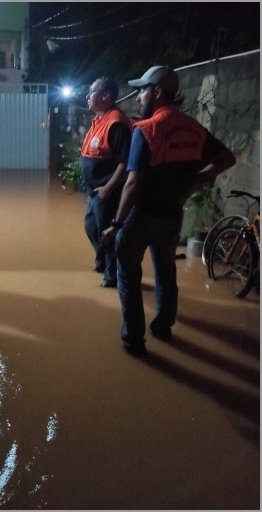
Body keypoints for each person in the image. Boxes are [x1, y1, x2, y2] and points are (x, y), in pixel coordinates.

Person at [100, 65, 237, 355]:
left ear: (157, 92)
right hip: (173, 214)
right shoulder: (194, 128)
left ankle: (133, 339)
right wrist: (195, 179)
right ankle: (163, 325)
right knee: (165, 271)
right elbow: (227, 158)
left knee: (127, 272)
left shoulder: (147, 129)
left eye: (142, 91)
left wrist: (115, 224)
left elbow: (132, 182)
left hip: (143, 215)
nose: (138, 98)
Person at [81, 77, 133, 287]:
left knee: (107, 234)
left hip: (106, 193)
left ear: (106, 96)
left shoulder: (116, 123)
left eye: (91, 91)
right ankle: (103, 262)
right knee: (91, 228)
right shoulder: (100, 120)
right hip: (94, 191)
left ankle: (112, 276)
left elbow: (126, 161)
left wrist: (109, 188)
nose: (87, 96)